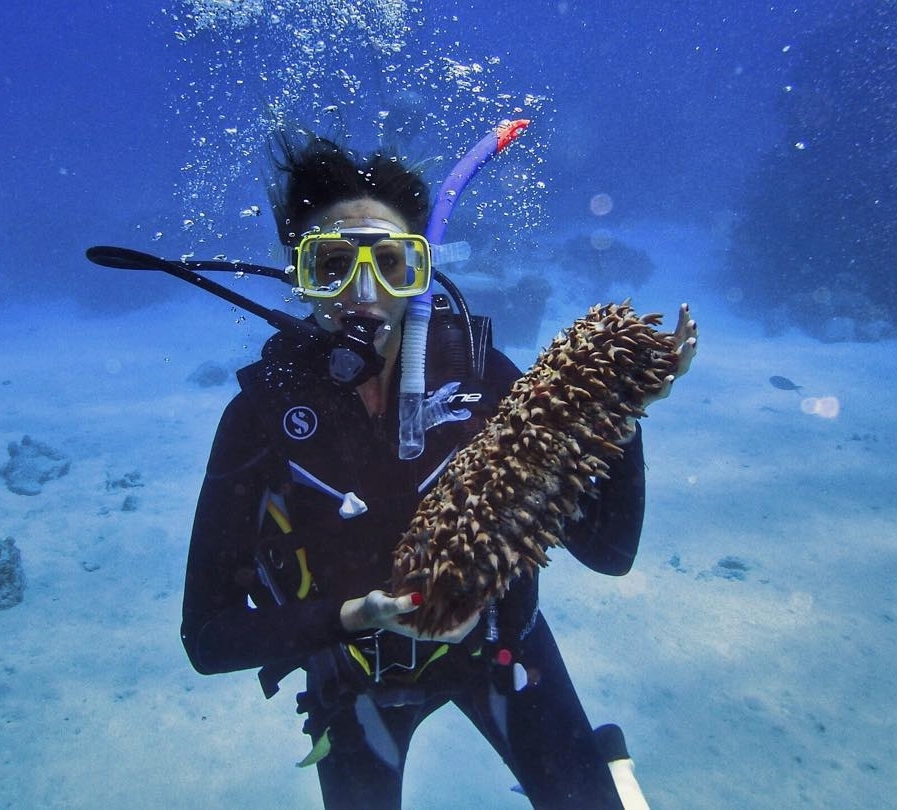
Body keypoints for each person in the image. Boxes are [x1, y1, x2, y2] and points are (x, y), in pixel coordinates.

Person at [181, 129, 698, 809]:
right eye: (332, 265)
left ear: (421, 270)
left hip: (499, 654)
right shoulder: (260, 418)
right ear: (297, 273)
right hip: (353, 677)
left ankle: (605, 775)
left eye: (392, 265)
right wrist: (350, 616)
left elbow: (607, 553)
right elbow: (209, 637)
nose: (362, 294)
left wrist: (620, 408)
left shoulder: (479, 379)